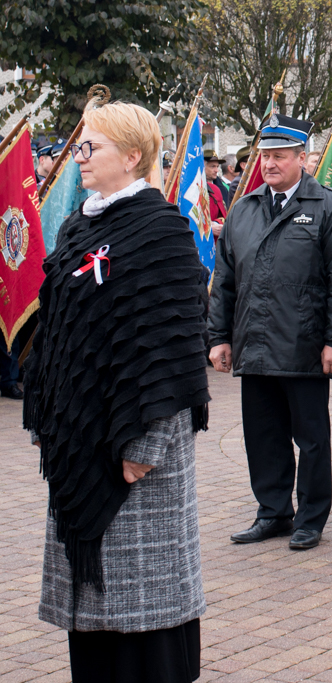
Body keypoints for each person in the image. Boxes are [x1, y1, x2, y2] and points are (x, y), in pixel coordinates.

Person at [24, 101, 210, 682]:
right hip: (84, 439)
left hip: (135, 443)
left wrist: (143, 446)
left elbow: (170, 346)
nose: (77, 157)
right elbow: (58, 328)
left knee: (143, 597)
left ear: (132, 156)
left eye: (91, 147)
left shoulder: (163, 232)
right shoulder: (79, 224)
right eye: (79, 147)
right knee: (98, 611)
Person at [209, 114, 332, 551]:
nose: (270, 164)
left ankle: (311, 519)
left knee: (310, 439)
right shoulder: (244, 209)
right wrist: (219, 337)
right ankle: (273, 512)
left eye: (279, 156)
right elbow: (226, 280)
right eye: (265, 156)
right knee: (263, 435)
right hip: (254, 344)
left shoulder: (330, 208)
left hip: (304, 344)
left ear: (302, 158)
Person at [203, 150, 229, 223]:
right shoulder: (194, 188)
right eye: (212, 167)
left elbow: (225, 214)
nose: (216, 170)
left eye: (217, 166)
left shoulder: (221, 188)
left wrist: (217, 223)